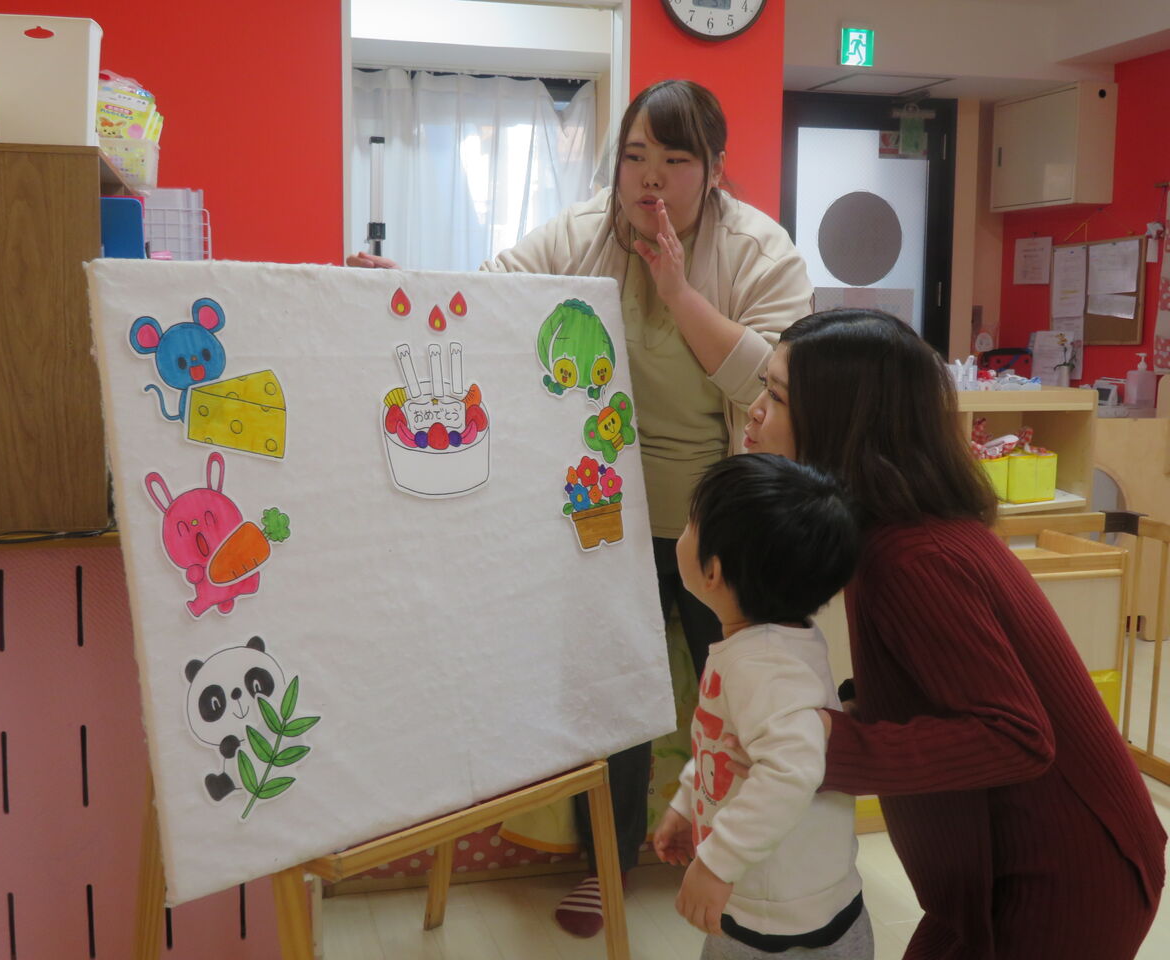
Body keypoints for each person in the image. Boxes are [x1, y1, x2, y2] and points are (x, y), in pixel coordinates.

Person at [351, 79, 814, 937]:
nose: (650, 180)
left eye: (675, 162)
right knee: (615, 689)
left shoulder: (757, 249)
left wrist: (677, 289)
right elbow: (490, 291)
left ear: (712, 170)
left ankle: (741, 858)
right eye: (635, 157)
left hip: (730, 513)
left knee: (740, 689)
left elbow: (776, 379)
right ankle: (612, 858)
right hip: (607, 508)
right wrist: (404, 281)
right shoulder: (585, 231)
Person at [740, 308, 1166, 960]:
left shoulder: (912, 557)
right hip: (1001, 869)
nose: (752, 411)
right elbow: (940, 687)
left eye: (773, 395)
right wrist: (849, 710)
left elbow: (1015, 735)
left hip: (1069, 875)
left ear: (839, 420)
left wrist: (832, 748)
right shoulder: (893, 531)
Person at [652, 453, 871, 960]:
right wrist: (689, 802)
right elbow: (725, 745)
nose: (682, 532)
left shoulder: (761, 666)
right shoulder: (773, 640)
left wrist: (715, 864)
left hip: (779, 919)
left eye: (690, 524)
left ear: (713, 571)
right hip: (775, 894)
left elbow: (792, 769)